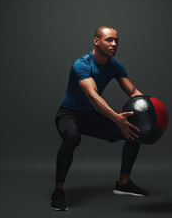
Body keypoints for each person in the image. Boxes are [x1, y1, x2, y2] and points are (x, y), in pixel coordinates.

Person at [51, 26, 149, 211]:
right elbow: (93, 96)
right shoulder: (82, 64)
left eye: (116, 40)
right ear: (97, 41)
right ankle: (58, 191)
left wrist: (151, 109)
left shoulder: (115, 66)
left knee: (134, 130)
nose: (114, 44)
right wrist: (116, 119)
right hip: (68, 114)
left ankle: (123, 183)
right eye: (109, 40)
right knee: (72, 137)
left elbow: (134, 92)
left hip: (90, 117)